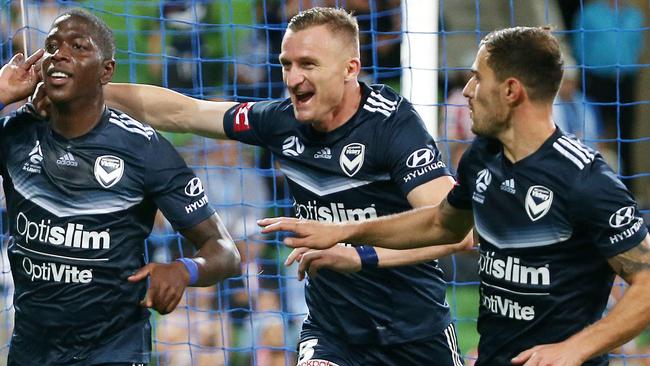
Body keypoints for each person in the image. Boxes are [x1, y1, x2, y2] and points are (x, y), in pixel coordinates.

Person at [98, 7, 470, 366]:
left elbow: (456, 233)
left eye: (308, 64)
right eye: (286, 65)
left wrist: (358, 254)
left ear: (349, 69)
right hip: (332, 335)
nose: (293, 79)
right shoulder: (280, 121)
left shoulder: (393, 125)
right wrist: (89, 90)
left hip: (415, 333)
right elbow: (184, 112)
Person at [258, 26, 650, 366]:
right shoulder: (482, 158)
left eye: (477, 78)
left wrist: (575, 349)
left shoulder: (585, 180)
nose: (466, 91)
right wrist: (346, 233)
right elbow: (440, 223)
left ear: (511, 91)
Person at [0, 9, 241, 365]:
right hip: (31, 351)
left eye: (78, 46)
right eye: (51, 46)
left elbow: (224, 251)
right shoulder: (17, 135)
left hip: (115, 351)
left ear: (106, 71)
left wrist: (183, 270)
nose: (59, 54)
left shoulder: (145, 149)